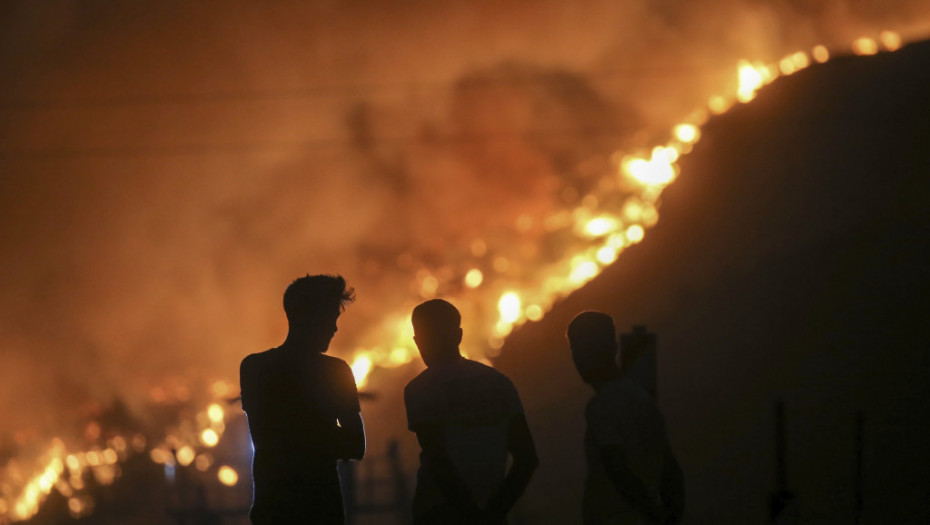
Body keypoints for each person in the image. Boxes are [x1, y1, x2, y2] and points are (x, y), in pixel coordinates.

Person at [240, 274, 365, 525]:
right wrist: (324, 432)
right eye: (331, 317)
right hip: (321, 510)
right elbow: (354, 444)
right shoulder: (336, 372)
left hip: (272, 509)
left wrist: (297, 430)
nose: (334, 327)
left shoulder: (255, 368)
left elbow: (270, 438)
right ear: (310, 316)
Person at [404, 299, 538, 524]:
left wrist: (469, 514)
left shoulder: (420, 389)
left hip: (438, 512)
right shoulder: (499, 383)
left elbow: (438, 462)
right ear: (458, 335)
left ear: (418, 340)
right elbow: (527, 458)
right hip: (492, 509)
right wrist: (496, 510)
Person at [567, 311, 685, 525]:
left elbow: (617, 467)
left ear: (613, 349)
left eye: (581, 347)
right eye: (576, 348)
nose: (580, 357)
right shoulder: (642, 399)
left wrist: (652, 514)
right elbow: (670, 471)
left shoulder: (601, 406)